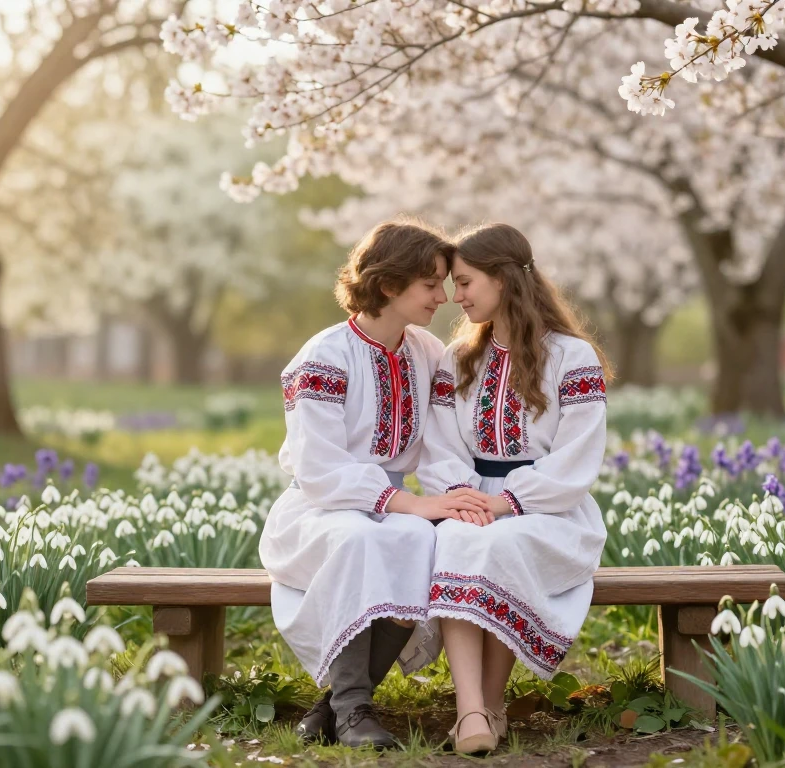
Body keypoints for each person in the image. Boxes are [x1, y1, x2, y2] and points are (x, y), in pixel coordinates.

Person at [259, 218, 494, 749]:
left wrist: (454, 497)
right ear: (389, 286)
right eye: (430, 284)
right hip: (319, 509)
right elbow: (317, 469)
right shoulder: (323, 357)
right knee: (360, 539)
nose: (443, 296)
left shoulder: (428, 353)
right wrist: (408, 500)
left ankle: (339, 707)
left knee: (417, 540)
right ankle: (353, 709)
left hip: (391, 508)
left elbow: (440, 442)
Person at [416, 222, 610, 754]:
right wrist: (463, 496)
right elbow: (440, 445)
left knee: (501, 544)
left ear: (502, 279)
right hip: (471, 500)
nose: (457, 296)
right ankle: (471, 711)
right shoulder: (459, 360)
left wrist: (508, 501)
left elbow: (577, 458)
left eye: (465, 282)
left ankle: (493, 705)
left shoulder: (573, 358)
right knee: (458, 540)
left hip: (551, 509)